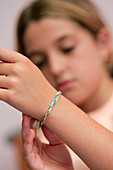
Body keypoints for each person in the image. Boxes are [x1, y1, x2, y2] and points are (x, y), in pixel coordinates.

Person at [0, 0, 113, 169]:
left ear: (103, 42)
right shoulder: (37, 144)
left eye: (67, 48)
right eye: (39, 62)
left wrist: (50, 103)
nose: (55, 68)